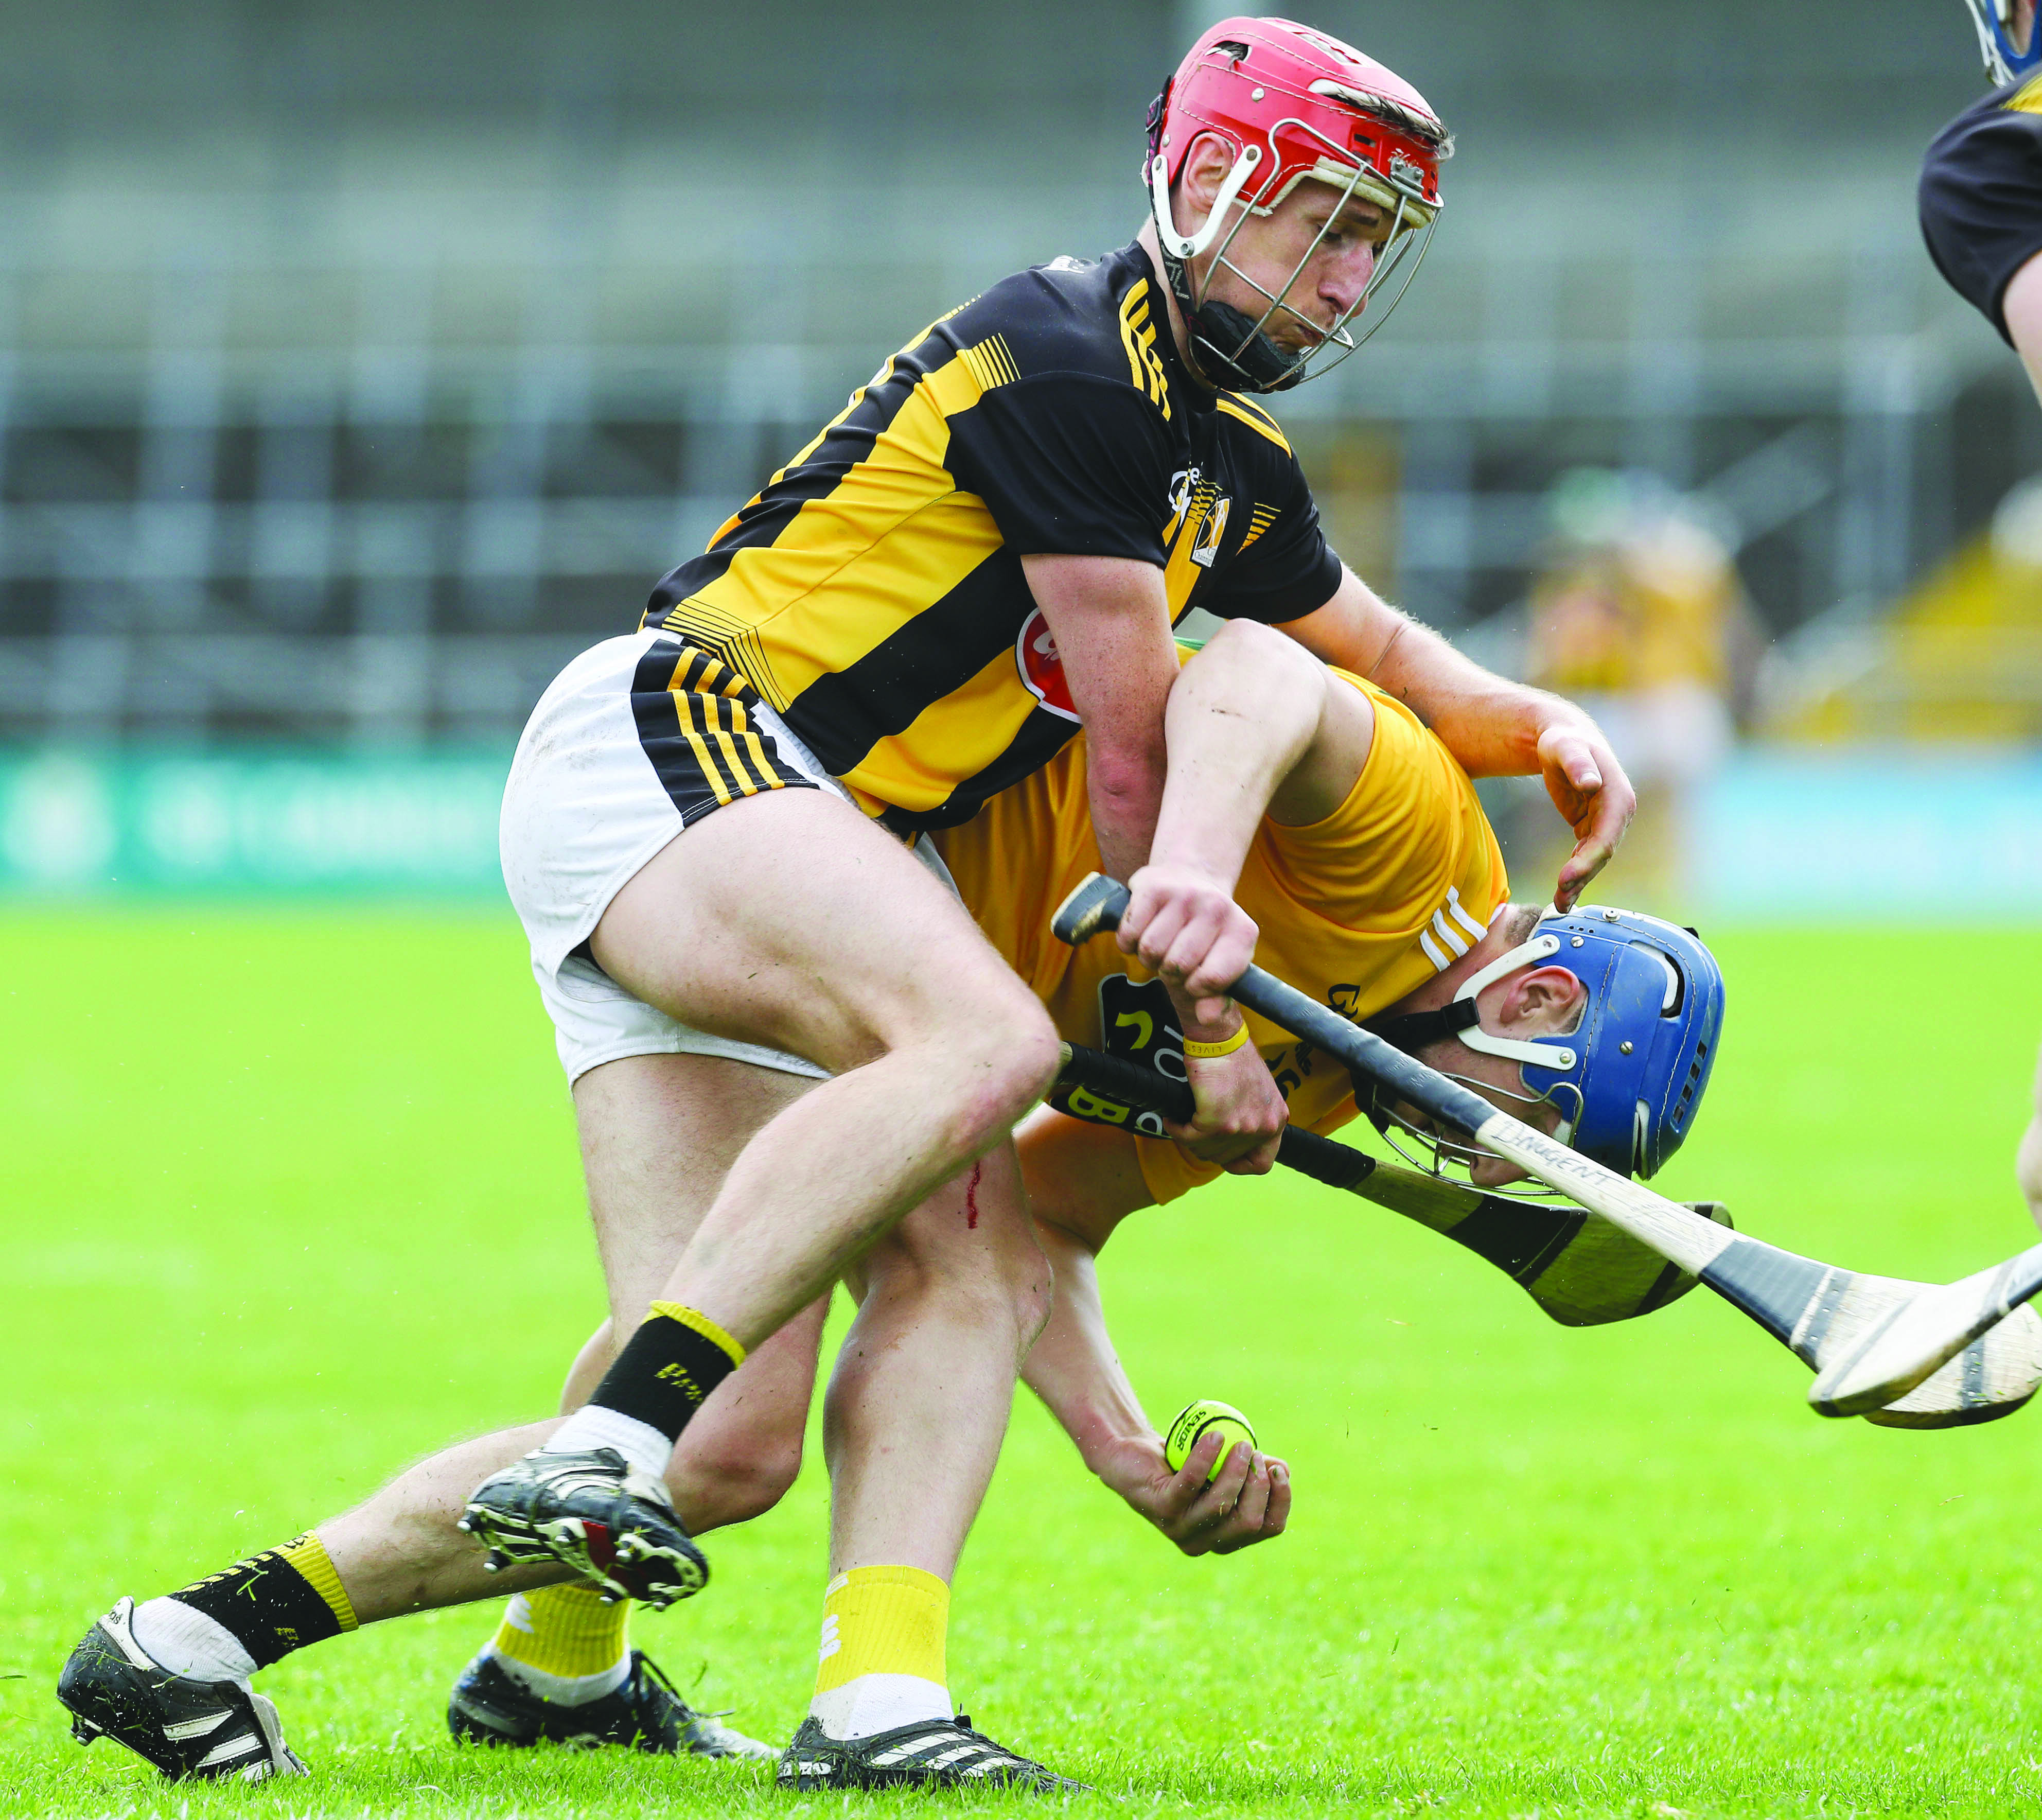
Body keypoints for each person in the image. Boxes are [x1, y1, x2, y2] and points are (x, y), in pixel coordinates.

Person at [58, 16, 1635, 1793]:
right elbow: (1137, 759)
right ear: (1208, 183)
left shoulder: (1228, 461)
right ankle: (644, 1477)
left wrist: (1537, 726)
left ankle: (209, 1644)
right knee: (983, 1043)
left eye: (1376, 247)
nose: (1346, 280)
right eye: (1325, 223)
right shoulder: (1075, 365)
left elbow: (1378, 642)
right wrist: (1209, 1036)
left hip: (797, 843)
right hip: (695, 739)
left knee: (735, 1440)